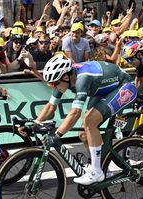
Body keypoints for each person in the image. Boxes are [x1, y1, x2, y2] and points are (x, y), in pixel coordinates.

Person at [26, 55, 136, 185]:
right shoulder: (65, 79)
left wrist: (56, 135)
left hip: (125, 86)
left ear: (65, 77)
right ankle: (103, 168)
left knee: (89, 121)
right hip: (104, 90)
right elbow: (50, 107)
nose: (53, 87)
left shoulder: (82, 79)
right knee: (84, 134)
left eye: (55, 83)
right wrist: (34, 124)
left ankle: (97, 171)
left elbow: (75, 113)